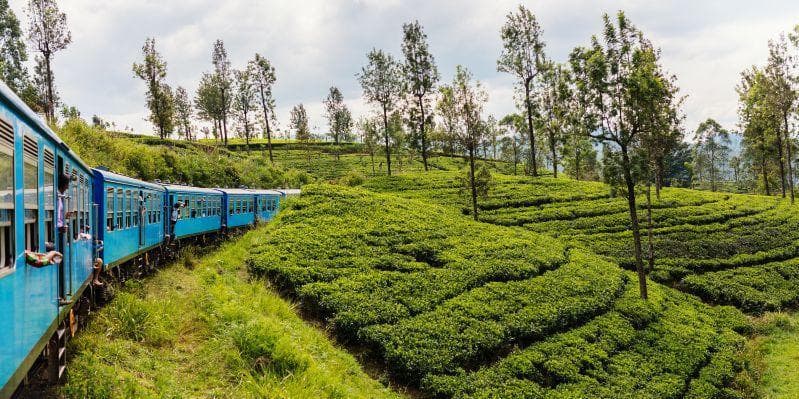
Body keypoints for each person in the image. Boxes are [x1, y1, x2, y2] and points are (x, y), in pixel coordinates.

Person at [56, 174, 73, 305]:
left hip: (60, 231)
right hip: (57, 234)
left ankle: (62, 293)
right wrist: (60, 227)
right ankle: (60, 293)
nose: (68, 187)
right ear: (64, 184)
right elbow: (54, 219)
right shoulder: (57, 197)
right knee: (60, 257)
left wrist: (66, 217)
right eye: (68, 184)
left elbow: (59, 217)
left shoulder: (60, 197)